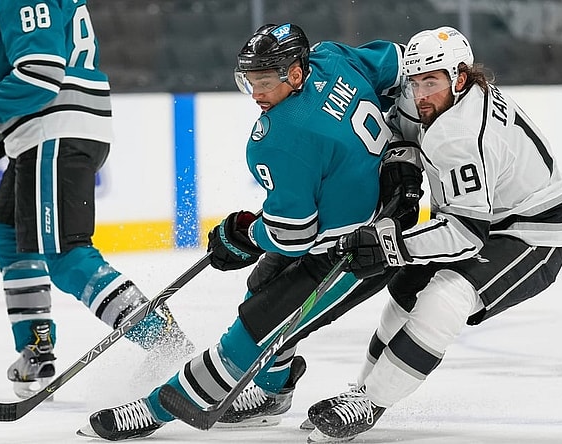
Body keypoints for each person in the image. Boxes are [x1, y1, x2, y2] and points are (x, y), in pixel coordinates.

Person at [78, 23, 424, 441]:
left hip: (357, 253)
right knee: (262, 285)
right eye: (250, 80)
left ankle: (152, 409)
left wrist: (245, 236)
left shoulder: (277, 138)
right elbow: (408, 64)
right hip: (373, 221)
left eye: (265, 81)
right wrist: (408, 140)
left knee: (250, 334)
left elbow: (292, 235)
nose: (256, 93)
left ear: (296, 73)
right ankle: (271, 392)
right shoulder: (334, 59)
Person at [305, 26, 562, 443]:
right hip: (484, 216)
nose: (420, 93)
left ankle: (371, 403)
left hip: (533, 232)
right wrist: (404, 168)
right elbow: (400, 132)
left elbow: (466, 233)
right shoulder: (431, 104)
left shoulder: (462, 133)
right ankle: (361, 389)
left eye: (431, 81)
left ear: (460, 78)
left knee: (446, 296)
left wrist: (390, 244)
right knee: (405, 291)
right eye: (414, 82)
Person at [0, 0, 193, 399]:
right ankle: (37, 346)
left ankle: (167, 345)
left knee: (65, 255)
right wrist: (5, 126)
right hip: (52, 130)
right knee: (8, 233)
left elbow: (40, 76)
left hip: (55, 131)